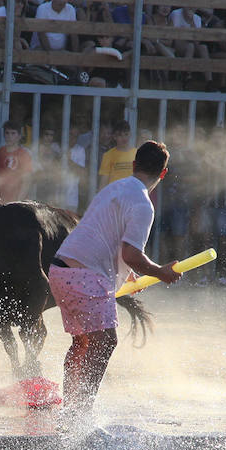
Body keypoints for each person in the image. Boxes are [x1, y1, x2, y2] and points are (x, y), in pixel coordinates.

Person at [49, 141, 180, 414]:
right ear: (163, 174)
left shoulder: (114, 188)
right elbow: (132, 253)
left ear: (134, 165)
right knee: (105, 342)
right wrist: (161, 272)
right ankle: (79, 414)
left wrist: (126, 273)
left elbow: (105, 236)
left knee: (83, 342)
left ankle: (71, 408)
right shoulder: (144, 203)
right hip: (86, 276)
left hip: (60, 270)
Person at [0, 121, 34, 204]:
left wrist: (19, 201)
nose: (9, 136)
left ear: (19, 136)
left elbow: (27, 180)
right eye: (7, 133)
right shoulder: (2, 151)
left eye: (13, 133)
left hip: (17, 200)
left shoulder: (24, 154)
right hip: (1, 199)